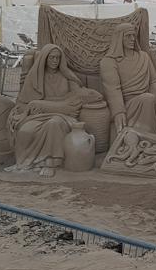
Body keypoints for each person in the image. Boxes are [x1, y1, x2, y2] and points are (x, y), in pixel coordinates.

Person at [6, 45, 102, 177]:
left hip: (63, 115)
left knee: (53, 124)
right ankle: (25, 163)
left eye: (57, 58)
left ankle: (50, 164)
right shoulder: (35, 77)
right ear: (45, 59)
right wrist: (32, 109)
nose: (55, 61)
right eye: (52, 57)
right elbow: (24, 103)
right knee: (25, 131)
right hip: (39, 115)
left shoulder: (67, 76)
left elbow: (80, 94)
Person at [100, 23, 156, 138]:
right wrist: (118, 112)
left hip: (150, 104)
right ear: (119, 38)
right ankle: (147, 137)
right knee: (148, 99)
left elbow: (153, 82)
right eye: (128, 36)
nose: (132, 39)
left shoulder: (143, 57)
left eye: (133, 36)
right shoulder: (109, 62)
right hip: (128, 106)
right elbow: (112, 89)